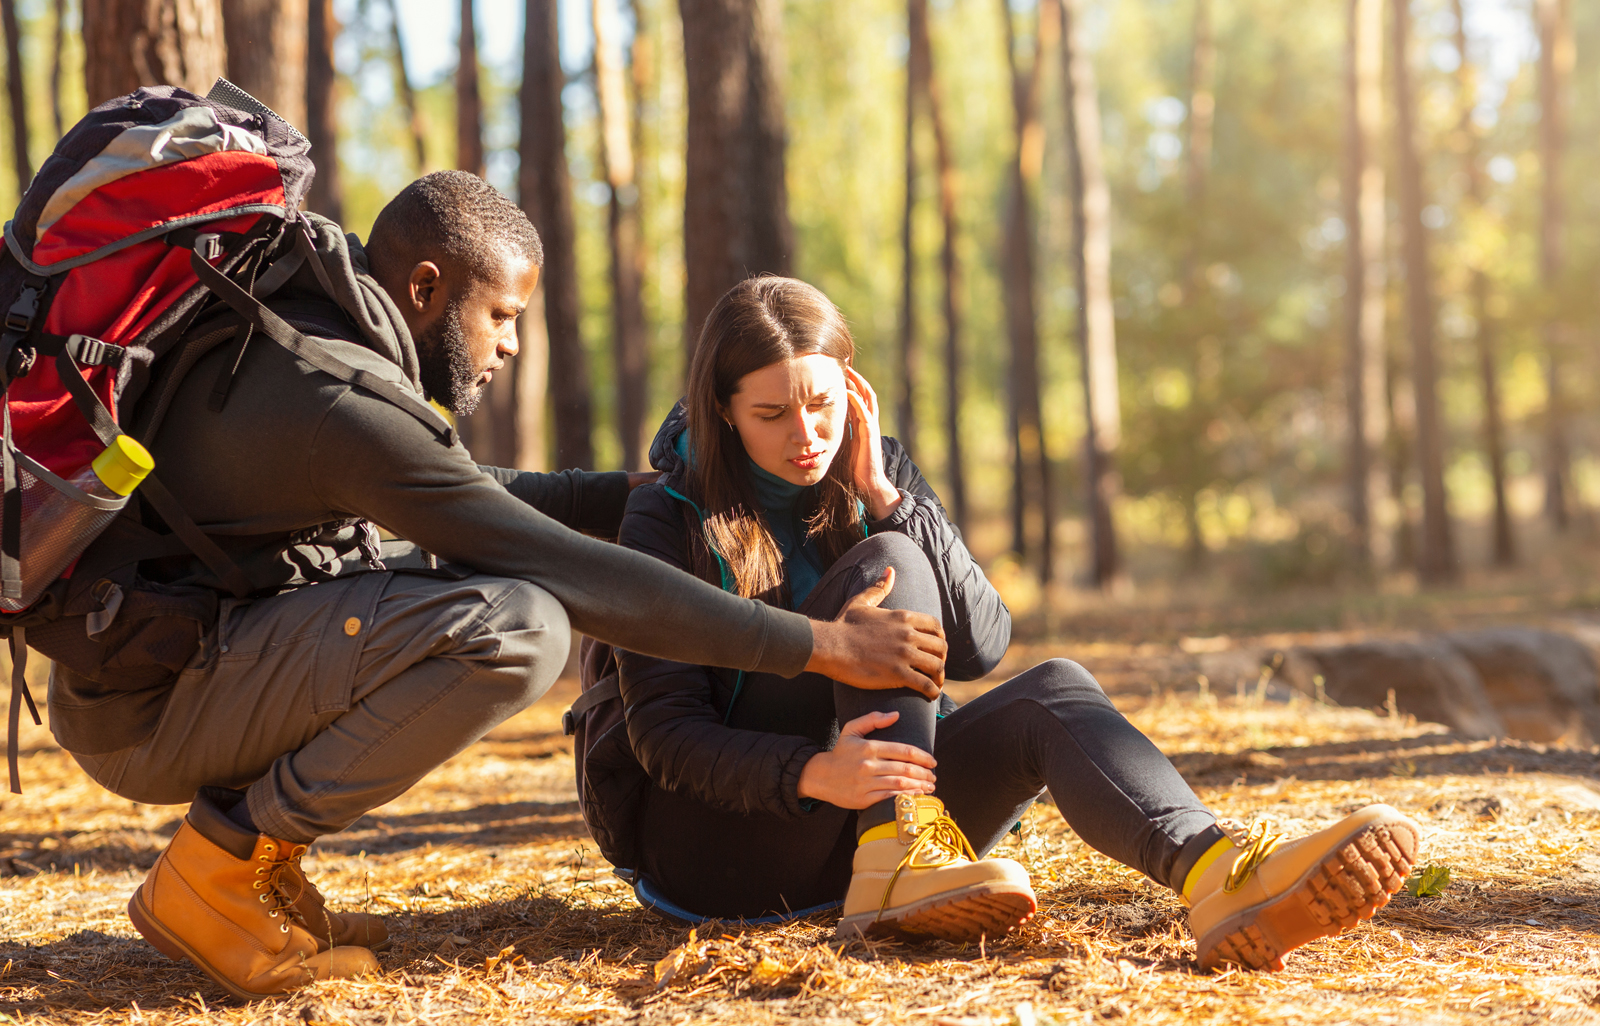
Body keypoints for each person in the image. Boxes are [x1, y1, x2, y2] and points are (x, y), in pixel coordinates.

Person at [46, 174, 948, 1000]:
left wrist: (639, 494)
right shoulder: (340, 405)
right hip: (154, 712)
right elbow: (553, 563)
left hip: (174, 666)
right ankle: (217, 869)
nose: (511, 344)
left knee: (466, 600)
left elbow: (480, 494)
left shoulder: (312, 350)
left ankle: (261, 869)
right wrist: (822, 644)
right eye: (502, 315)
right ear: (428, 287)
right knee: (517, 627)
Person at [609, 276, 1422, 968]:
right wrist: (815, 773)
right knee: (878, 566)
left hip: (865, 827)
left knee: (1053, 690)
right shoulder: (665, 520)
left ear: (851, 390)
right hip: (722, 842)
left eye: (823, 404)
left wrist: (890, 501)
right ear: (722, 412)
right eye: (772, 413)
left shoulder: (874, 475)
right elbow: (664, 737)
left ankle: (1217, 878)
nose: (806, 435)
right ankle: (893, 852)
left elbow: (982, 645)